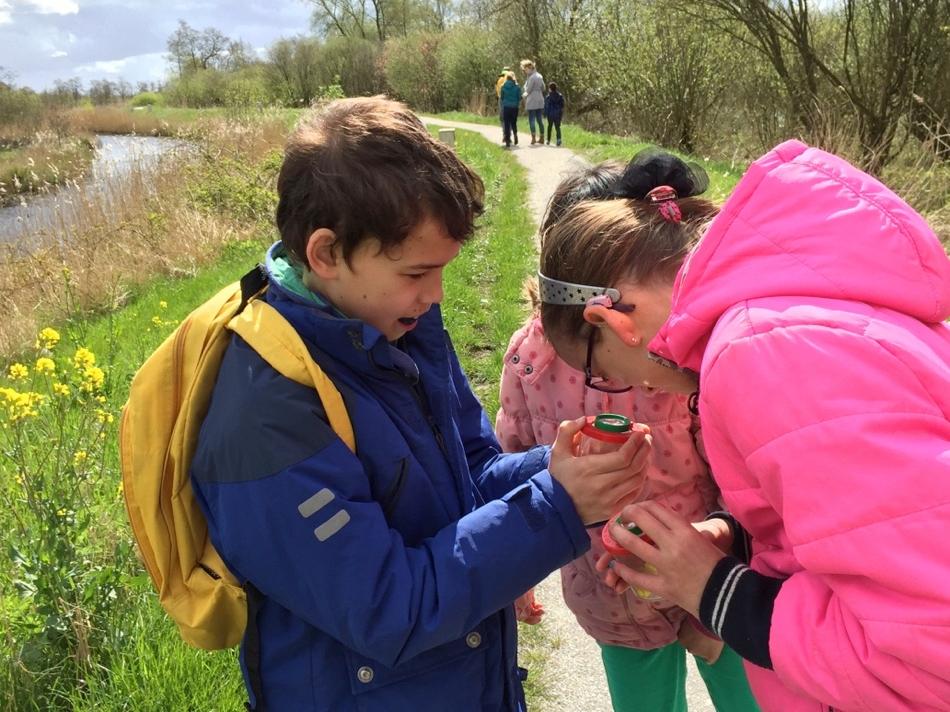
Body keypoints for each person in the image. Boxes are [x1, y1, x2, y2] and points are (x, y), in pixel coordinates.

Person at [189, 96, 653, 712]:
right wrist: (559, 506)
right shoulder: (263, 410)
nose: (434, 295)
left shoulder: (395, 325)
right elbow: (389, 610)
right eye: (416, 273)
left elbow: (473, 474)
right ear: (326, 253)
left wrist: (560, 466)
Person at [540, 142, 950, 711]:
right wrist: (736, 534)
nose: (641, 390)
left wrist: (712, 588)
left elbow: (928, 657)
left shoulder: (762, 353)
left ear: (609, 320)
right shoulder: (804, 300)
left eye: (602, 371)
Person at [498, 161, 761, 712]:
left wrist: (721, 547)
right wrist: (513, 570)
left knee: (751, 698)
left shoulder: (671, 361)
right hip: (611, 598)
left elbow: (738, 473)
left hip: (711, 577)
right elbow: (513, 456)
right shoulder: (529, 359)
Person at [520, 59, 545, 145]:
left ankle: (533, 138)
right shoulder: (540, 76)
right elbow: (543, 88)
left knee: (532, 120)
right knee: (539, 119)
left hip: (532, 100)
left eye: (525, 69)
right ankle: (542, 137)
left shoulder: (531, 77)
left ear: (530, 67)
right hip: (540, 99)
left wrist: (522, 95)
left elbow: (528, 90)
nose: (525, 71)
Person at [500, 71, 521, 149]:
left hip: (506, 107)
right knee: (514, 122)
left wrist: (505, 101)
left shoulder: (503, 86)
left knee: (506, 123)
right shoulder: (517, 87)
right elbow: (519, 97)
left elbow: (502, 97)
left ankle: (508, 140)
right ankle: (515, 134)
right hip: (515, 107)